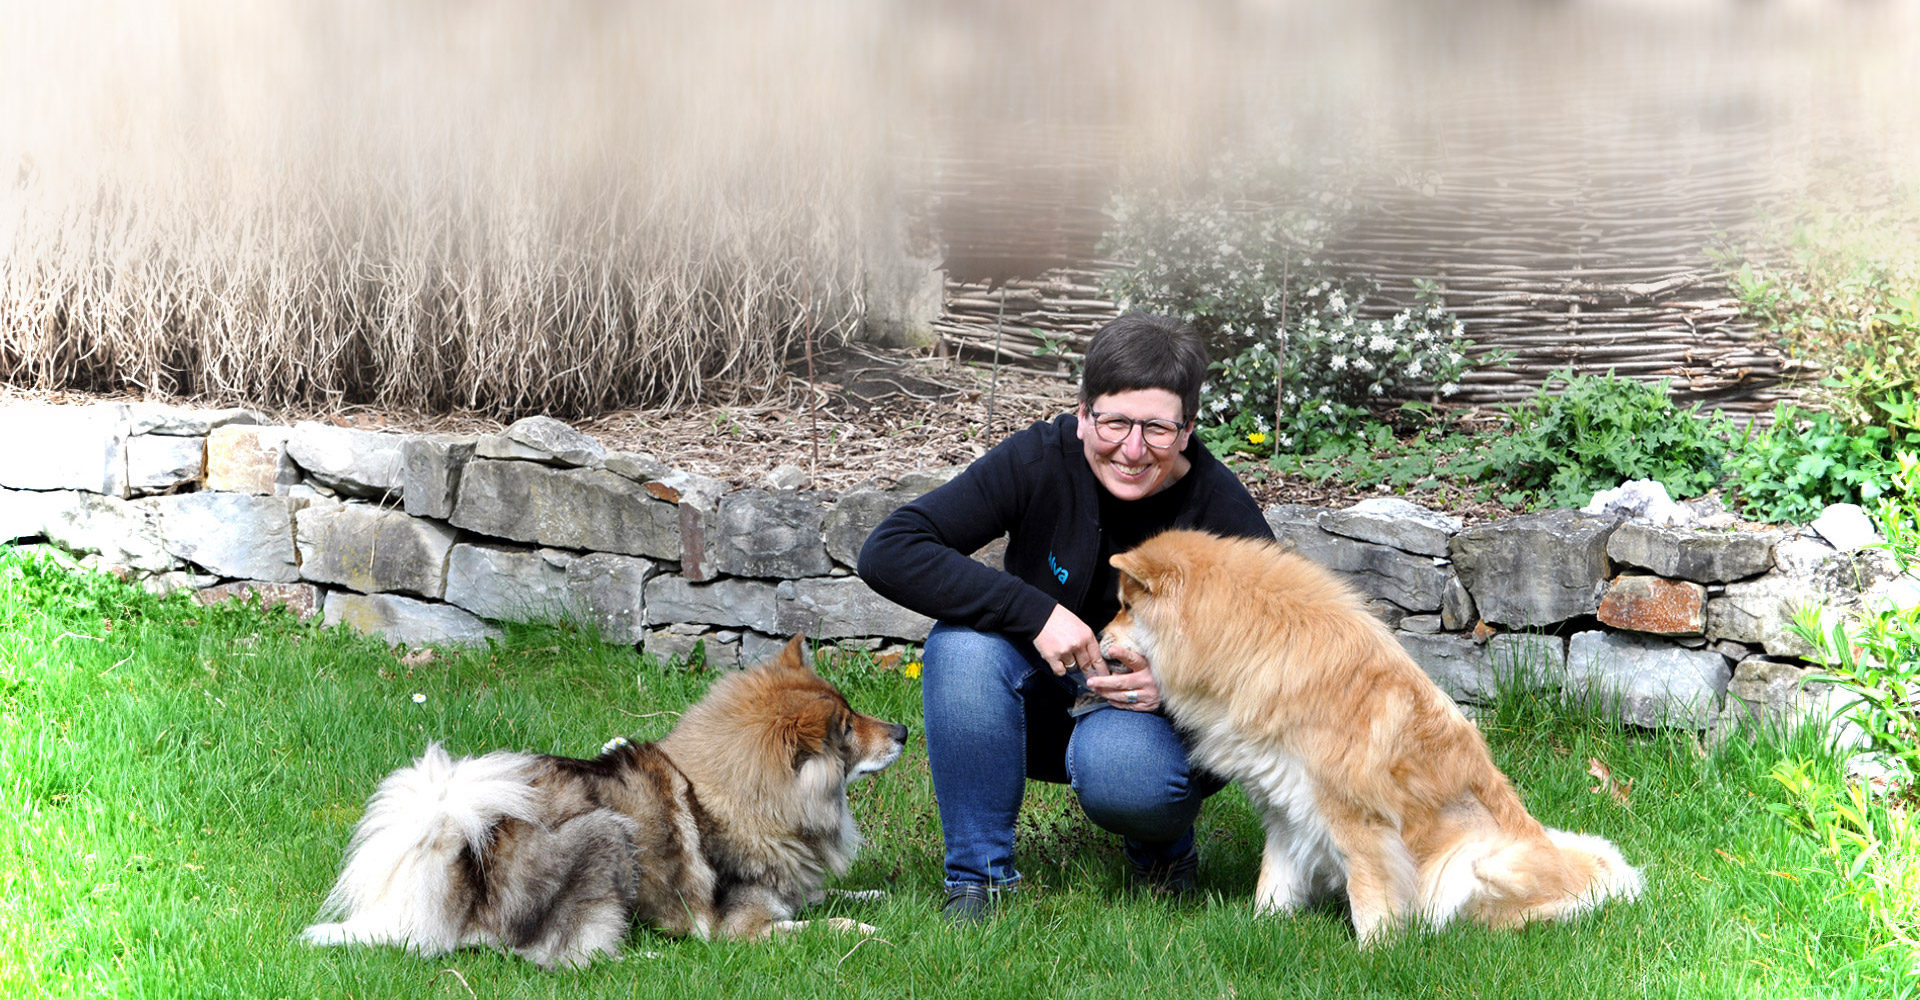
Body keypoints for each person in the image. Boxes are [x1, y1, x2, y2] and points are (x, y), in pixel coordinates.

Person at [856, 313, 1274, 923]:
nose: (1133, 450)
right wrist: (1034, 611)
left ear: (1186, 430)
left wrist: (1185, 688)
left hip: (1143, 722)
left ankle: (1162, 852)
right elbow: (890, 549)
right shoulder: (1039, 460)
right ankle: (979, 884)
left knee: (1125, 774)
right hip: (1030, 706)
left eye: (1157, 428)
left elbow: (1291, 649)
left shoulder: (1221, 510)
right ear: (1082, 414)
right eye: (1115, 422)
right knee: (963, 647)